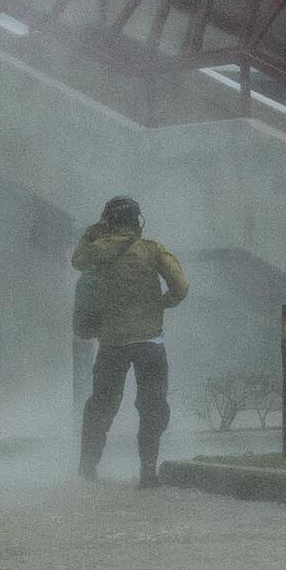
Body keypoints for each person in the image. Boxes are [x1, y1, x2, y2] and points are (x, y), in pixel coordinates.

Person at [73, 196, 188, 487]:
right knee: (152, 406)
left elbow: (77, 261)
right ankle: (148, 470)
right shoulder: (151, 249)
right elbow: (181, 286)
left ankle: (88, 469)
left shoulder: (98, 251)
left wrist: (91, 234)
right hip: (150, 342)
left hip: (112, 343)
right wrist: (161, 304)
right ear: (138, 221)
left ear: (108, 221)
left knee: (102, 406)